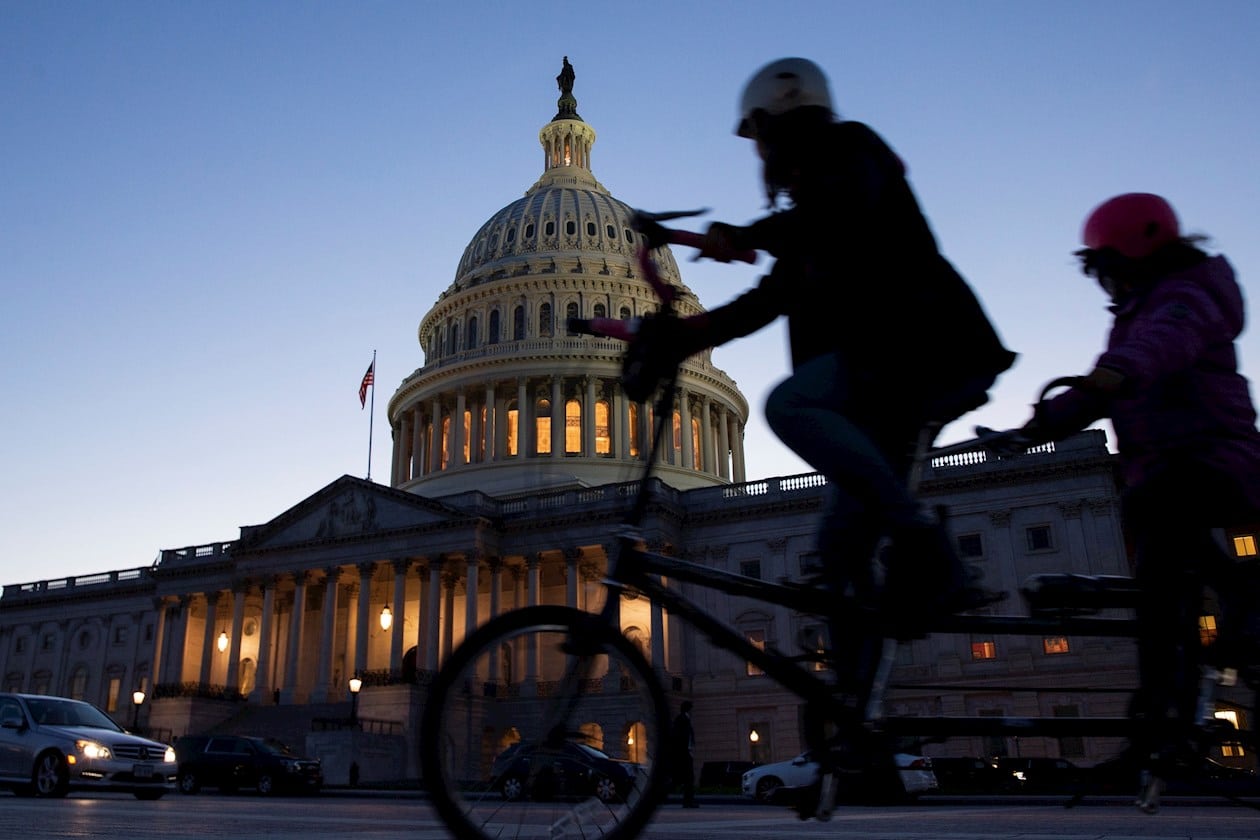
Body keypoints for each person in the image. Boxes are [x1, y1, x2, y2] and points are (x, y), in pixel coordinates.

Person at [648, 58, 1016, 637]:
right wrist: (687, 337)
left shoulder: (852, 154)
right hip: (884, 383)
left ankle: (927, 546)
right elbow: (771, 297)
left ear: (784, 123)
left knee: (789, 405)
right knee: (838, 556)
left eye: (761, 136)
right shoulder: (812, 211)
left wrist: (748, 235)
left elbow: (833, 218)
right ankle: (863, 713)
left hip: (922, 352)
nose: (760, 155)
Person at [1008, 192, 1260, 790]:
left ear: (1135, 253)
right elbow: (1101, 387)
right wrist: (1032, 431)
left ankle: (1245, 605)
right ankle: (1155, 730)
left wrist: (1118, 372)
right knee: (1158, 589)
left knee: (1159, 520)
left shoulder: (1184, 296)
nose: (1105, 282)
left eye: (1108, 267)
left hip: (1214, 458)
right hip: (1168, 470)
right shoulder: (1140, 310)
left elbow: (1153, 351)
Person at [671, 700, 698, 807]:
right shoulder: (682, 719)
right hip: (683, 753)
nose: (692, 711)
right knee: (688, 778)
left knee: (688, 778)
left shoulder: (685, 719)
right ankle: (688, 801)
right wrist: (686, 749)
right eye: (691, 708)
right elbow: (680, 736)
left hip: (685, 752)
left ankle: (688, 801)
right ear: (688, 709)